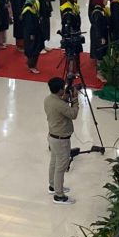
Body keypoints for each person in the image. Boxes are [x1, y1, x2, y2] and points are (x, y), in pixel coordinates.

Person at [43, 77, 79, 205]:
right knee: (61, 167)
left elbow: (60, 104)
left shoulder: (49, 99)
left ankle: (53, 186)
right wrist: (75, 99)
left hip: (53, 137)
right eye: (63, 88)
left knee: (54, 162)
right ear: (59, 90)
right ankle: (59, 195)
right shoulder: (59, 104)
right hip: (61, 140)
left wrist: (65, 98)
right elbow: (73, 114)